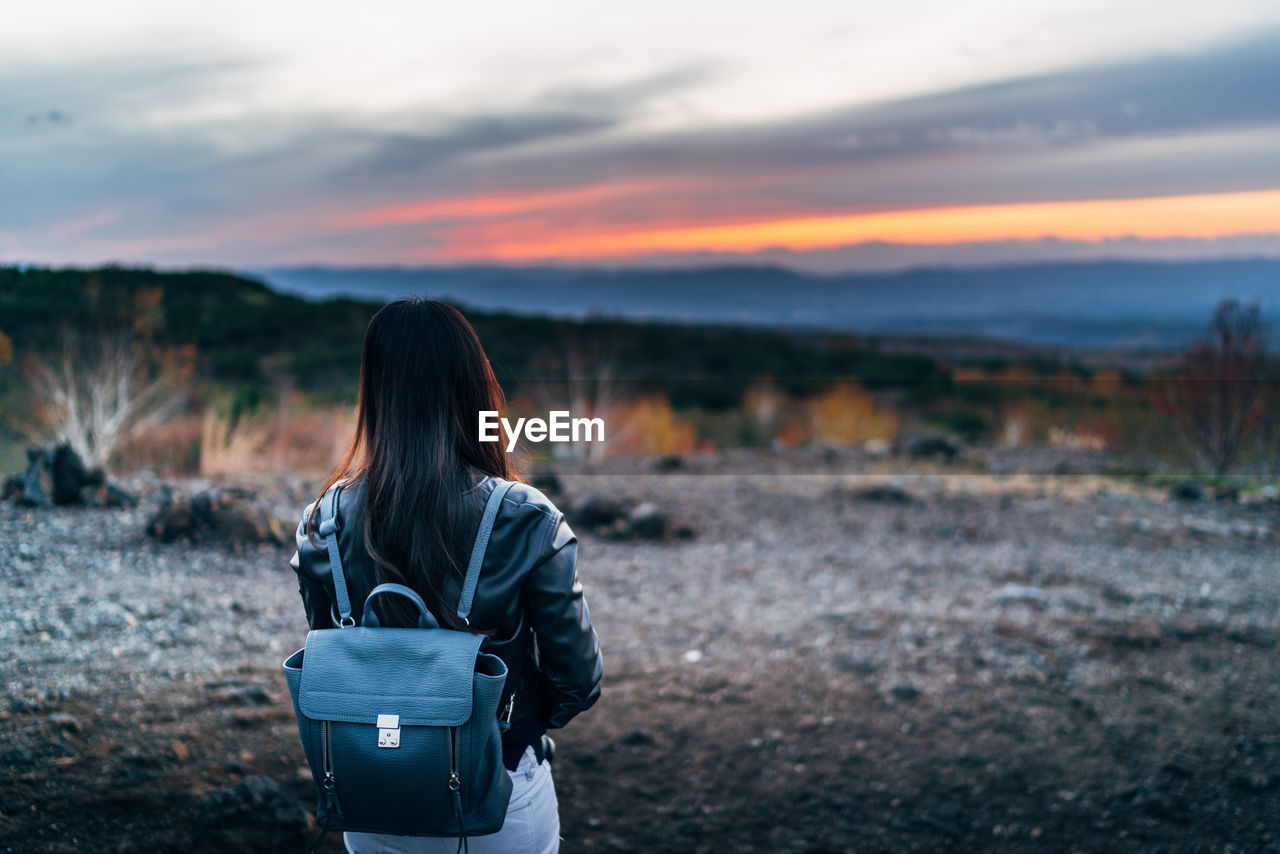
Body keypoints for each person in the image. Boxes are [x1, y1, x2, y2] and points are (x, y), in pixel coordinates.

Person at [288, 298, 604, 854]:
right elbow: (577, 680)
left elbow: (336, 662)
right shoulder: (527, 518)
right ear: (472, 387)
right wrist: (512, 726)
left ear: (376, 390)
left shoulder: (324, 521)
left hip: (374, 797)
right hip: (500, 796)